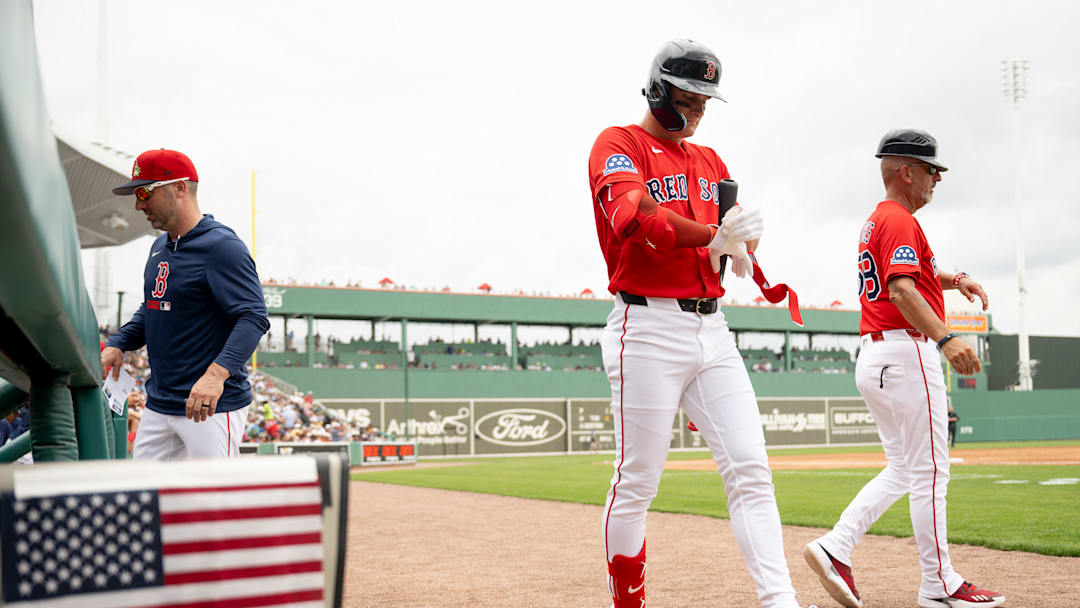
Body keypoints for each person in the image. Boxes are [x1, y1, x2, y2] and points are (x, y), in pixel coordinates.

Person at [588, 39, 809, 608]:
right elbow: (635, 217)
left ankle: (779, 601)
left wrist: (743, 241)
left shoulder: (710, 161)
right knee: (638, 480)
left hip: (712, 329)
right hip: (646, 325)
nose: (699, 109)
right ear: (659, 89)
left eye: (707, 100)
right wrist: (714, 236)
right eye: (690, 96)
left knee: (751, 469)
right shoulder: (619, 143)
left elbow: (730, 238)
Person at [803, 129, 1003, 608]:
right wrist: (947, 338)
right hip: (906, 349)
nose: (937, 179)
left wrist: (955, 279)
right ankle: (940, 585)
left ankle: (836, 546)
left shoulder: (879, 220)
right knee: (932, 471)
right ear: (906, 171)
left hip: (876, 354)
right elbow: (901, 289)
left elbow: (912, 274)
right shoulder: (898, 220)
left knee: (905, 469)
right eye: (931, 170)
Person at [101, 149, 269, 460]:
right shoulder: (158, 246)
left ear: (180, 188)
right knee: (144, 498)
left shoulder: (222, 246)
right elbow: (153, 307)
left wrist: (216, 376)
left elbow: (253, 317)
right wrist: (119, 342)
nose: (138, 205)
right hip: (160, 403)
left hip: (210, 406)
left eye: (144, 192)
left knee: (213, 501)